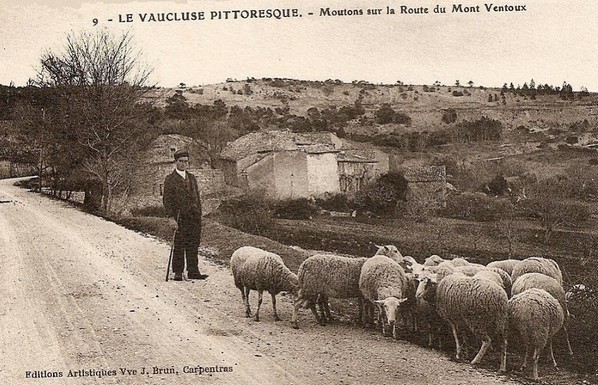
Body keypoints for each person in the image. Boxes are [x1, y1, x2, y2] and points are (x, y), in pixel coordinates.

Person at [162, 149, 209, 281]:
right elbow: (167, 200)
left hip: (194, 218)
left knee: (193, 244)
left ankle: (193, 271)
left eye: (186, 162)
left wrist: (200, 214)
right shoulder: (170, 180)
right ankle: (178, 272)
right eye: (181, 161)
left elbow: (197, 197)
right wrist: (171, 218)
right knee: (179, 244)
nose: (183, 164)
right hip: (179, 217)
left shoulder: (192, 178)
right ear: (176, 162)